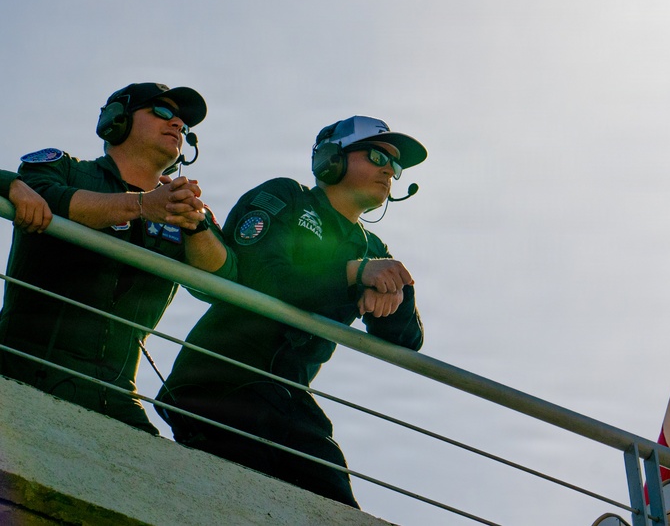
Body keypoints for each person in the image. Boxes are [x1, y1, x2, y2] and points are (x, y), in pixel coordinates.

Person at [157, 115, 426, 509]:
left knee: (336, 510)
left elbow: (406, 341)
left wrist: (396, 294)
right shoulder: (284, 195)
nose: (389, 170)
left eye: (395, 165)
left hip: (287, 398)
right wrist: (353, 274)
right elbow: (263, 277)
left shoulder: (372, 248)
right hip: (221, 380)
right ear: (331, 159)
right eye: (376, 156)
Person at [0, 83, 235, 435]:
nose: (177, 124)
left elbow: (223, 281)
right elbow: (44, 194)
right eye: (162, 111)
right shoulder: (64, 167)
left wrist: (194, 225)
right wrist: (142, 205)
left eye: (183, 123)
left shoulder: (185, 210)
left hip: (118, 396)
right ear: (117, 119)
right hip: (19, 369)